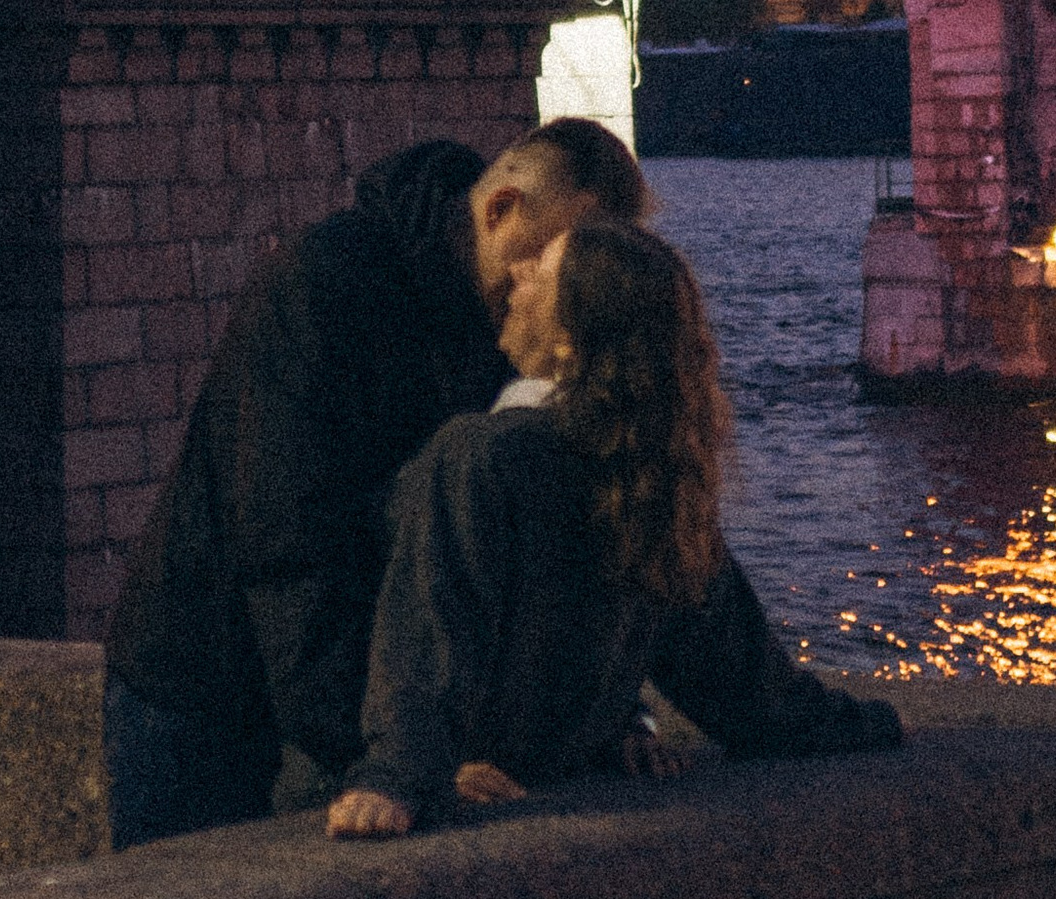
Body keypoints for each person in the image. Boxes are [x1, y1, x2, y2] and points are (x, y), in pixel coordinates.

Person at [103, 118, 648, 846]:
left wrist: (623, 712)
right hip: (205, 688)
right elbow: (290, 548)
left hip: (330, 693)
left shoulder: (506, 320)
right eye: (553, 254)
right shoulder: (325, 281)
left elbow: (578, 546)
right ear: (499, 208)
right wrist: (401, 757)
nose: (557, 281)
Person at [327, 219, 901, 835]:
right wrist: (865, 726)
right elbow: (740, 680)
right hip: (520, 782)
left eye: (541, 270)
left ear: (570, 338)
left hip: (379, 772)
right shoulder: (646, 476)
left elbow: (430, 624)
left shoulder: (481, 457)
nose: (515, 272)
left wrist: (403, 775)